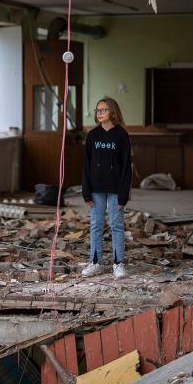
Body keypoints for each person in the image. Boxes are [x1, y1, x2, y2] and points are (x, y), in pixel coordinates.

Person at [81, 97, 132, 279]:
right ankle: (95, 262)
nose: (99, 113)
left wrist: (123, 195)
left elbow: (126, 167)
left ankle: (118, 264)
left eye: (103, 110)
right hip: (96, 189)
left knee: (117, 225)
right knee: (96, 225)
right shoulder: (92, 135)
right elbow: (86, 165)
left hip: (116, 189)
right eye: (97, 110)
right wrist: (85, 191)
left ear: (113, 112)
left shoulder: (121, 135)